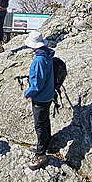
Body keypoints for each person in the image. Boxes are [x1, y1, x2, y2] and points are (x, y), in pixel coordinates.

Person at [23, 31, 57, 170]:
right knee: (45, 120)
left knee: (39, 125)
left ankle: (41, 154)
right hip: (49, 94)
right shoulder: (48, 54)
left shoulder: (38, 60)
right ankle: (45, 143)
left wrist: (27, 93)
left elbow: (36, 85)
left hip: (40, 97)